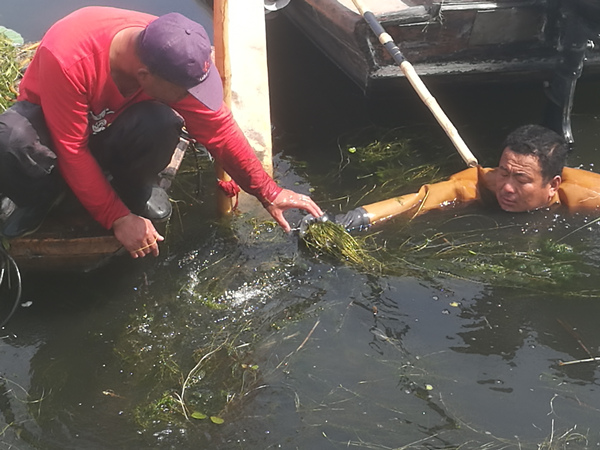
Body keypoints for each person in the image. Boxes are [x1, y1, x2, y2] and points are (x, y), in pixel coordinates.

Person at [0, 7, 322, 259]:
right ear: (144, 75)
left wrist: (268, 191)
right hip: (58, 130)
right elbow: (73, 150)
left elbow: (218, 128)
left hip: (112, 126)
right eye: (184, 91)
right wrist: (117, 219)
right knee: (11, 138)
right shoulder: (69, 56)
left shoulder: (170, 49)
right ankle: (41, 198)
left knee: (162, 122)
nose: (190, 97)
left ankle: (134, 185)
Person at [327, 124, 600, 230]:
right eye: (504, 172)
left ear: (552, 185)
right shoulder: (484, 182)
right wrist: (355, 218)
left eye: (521, 180)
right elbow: (422, 199)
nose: (507, 187)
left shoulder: (585, 196)